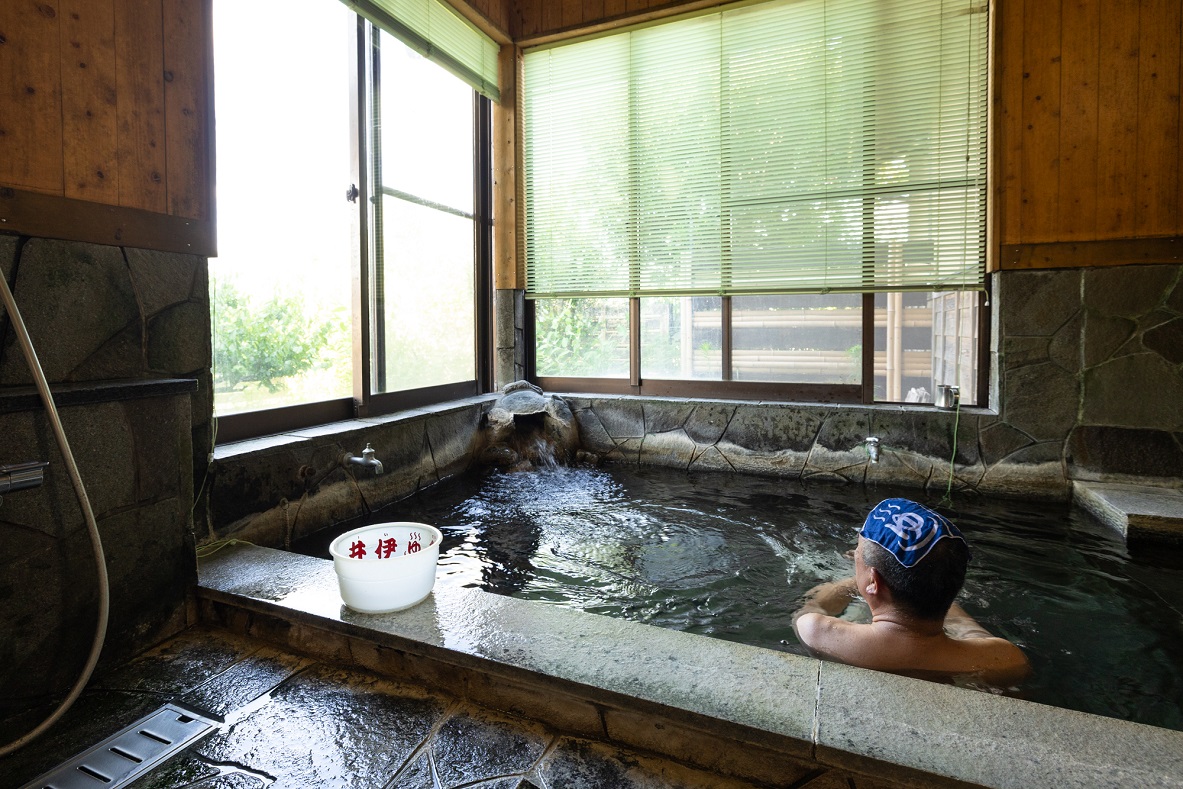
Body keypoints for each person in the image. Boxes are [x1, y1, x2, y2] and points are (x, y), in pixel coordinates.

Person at [792, 498, 1030, 687]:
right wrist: (931, 588)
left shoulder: (818, 632)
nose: (855, 554)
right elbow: (971, 631)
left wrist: (857, 582)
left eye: (857, 551)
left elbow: (809, 608)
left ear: (873, 580)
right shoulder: (1005, 660)